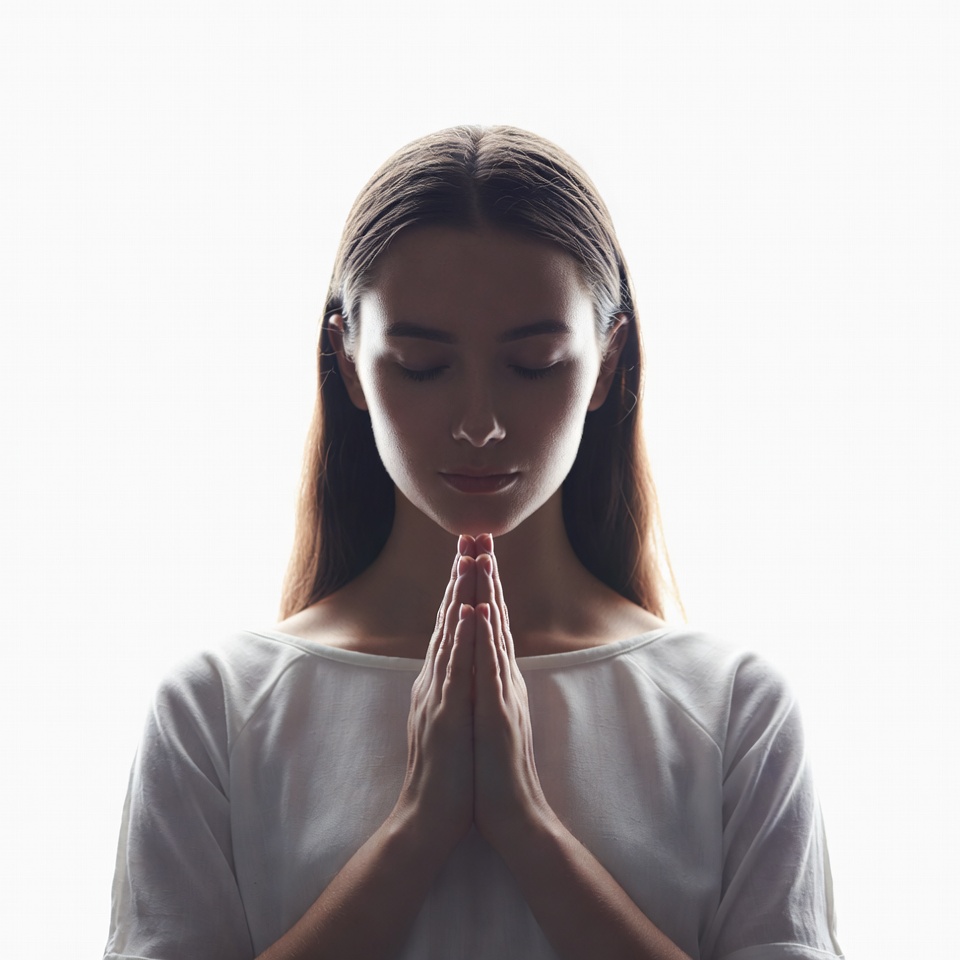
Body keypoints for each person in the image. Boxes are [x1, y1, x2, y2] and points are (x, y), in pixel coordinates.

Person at [103, 125, 843, 960]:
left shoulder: (733, 708)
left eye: (534, 364)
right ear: (347, 359)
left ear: (608, 360)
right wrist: (415, 829)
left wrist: (530, 829)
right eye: (421, 365)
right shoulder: (216, 710)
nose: (480, 423)